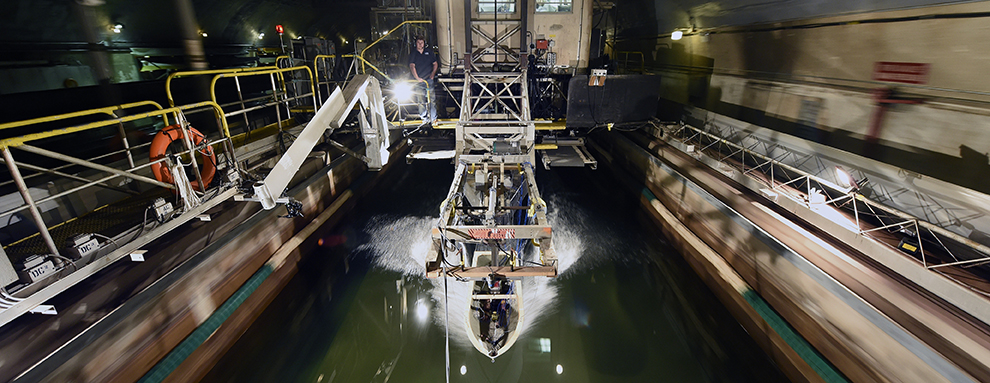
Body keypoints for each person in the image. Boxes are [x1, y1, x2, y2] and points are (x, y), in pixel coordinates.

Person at [407, 35, 438, 125]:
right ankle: (424, 118)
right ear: (416, 43)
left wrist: (432, 74)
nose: (420, 44)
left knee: (432, 99)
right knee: (421, 101)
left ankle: (434, 118)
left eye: (422, 43)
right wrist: (417, 78)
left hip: (429, 80)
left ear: (424, 43)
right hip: (419, 81)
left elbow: (435, 63)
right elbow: (412, 66)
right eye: (418, 43)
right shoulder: (413, 54)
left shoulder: (429, 52)